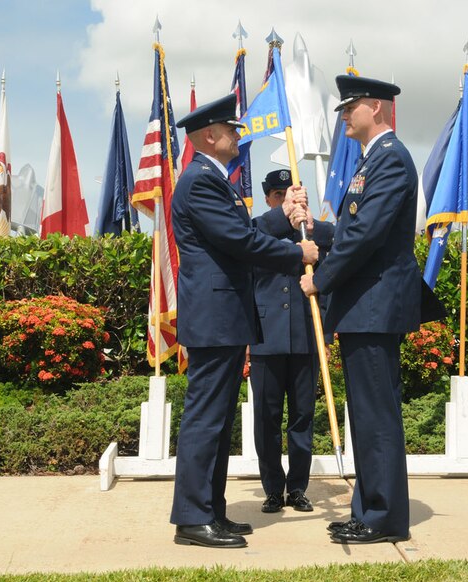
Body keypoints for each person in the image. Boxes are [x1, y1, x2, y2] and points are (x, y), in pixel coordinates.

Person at [169, 94, 318, 549]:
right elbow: (238, 240)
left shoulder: (217, 181)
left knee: (216, 421)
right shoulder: (200, 182)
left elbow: (246, 232)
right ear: (210, 137)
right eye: (231, 130)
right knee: (205, 420)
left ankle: (211, 511)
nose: (238, 135)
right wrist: (297, 253)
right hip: (215, 317)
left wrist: (284, 215)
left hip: (225, 316)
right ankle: (193, 517)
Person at [300, 76, 421, 544]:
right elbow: (355, 229)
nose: (345, 115)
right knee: (366, 415)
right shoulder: (372, 161)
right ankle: (368, 508)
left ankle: (385, 516)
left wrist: (321, 279)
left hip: (373, 304)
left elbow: (367, 235)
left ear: (375, 107)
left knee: (376, 415)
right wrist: (315, 229)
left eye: (351, 107)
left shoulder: (390, 159)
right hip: (363, 306)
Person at [249, 170, 334, 515]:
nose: (289, 201)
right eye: (280, 195)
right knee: (266, 419)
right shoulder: (256, 229)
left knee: (302, 416)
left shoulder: (315, 236)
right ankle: (272, 488)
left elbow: (328, 286)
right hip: (266, 337)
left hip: (305, 335)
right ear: (270, 198)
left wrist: (325, 336)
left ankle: (297, 487)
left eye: (296, 197)